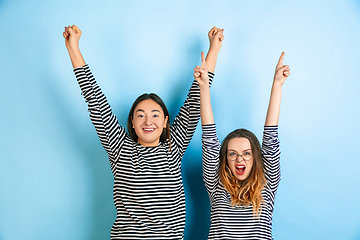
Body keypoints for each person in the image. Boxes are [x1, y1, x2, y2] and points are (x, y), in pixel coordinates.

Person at [63, 25, 224, 239]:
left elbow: (196, 99)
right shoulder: (120, 147)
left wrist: (213, 50)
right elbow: (95, 99)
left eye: (155, 115)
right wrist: (73, 48)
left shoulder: (173, 147)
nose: (148, 121)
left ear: (166, 121)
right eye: (141, 115)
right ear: (132, 122)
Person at [194, 51, 290, 239]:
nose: (239, 159)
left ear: (256, 158)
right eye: (232, 154)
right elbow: (209, 138)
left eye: (246, 153)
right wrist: (204, 88)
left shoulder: (267, 183)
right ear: (225, 159)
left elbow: (271, 137)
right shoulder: (216, 184)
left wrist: (277, 84)